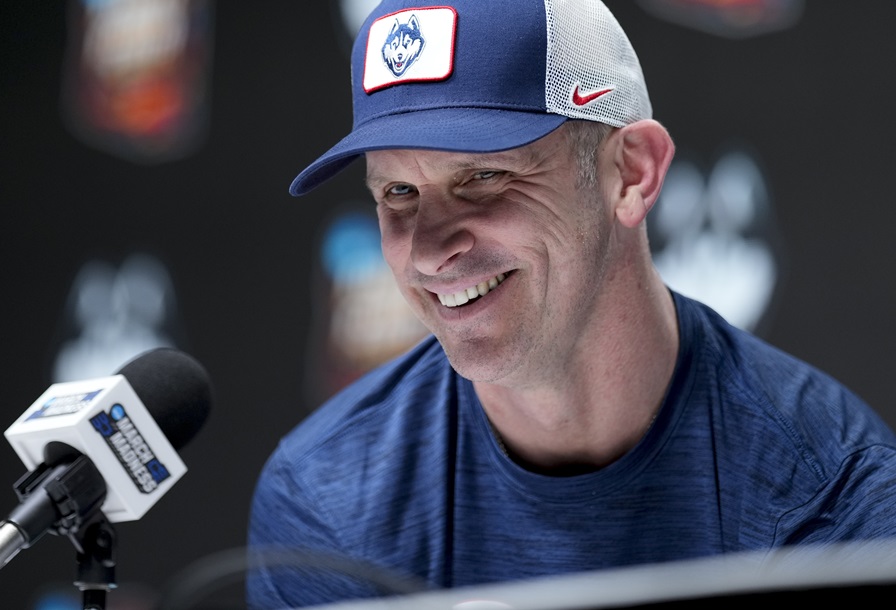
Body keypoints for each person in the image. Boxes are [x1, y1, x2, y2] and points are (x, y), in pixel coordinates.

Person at [247, 0, 896, 607]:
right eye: (397, 193)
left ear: (632, 172)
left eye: (483, 177)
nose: (429, 251)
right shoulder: (325, 502)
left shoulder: (830, 494)